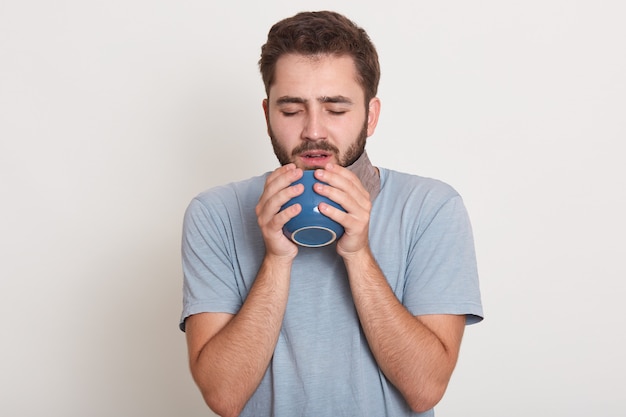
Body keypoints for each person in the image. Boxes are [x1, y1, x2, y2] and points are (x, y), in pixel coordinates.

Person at [180, 10, 483, 417]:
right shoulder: (214, 213)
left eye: (336, 109)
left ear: (370, 116)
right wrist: (276, 259)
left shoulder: (431, 208)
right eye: (291, 110)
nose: (313, 131)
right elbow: (223, 396)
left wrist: (358, 254)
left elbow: (425, 388)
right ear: (267, 114)